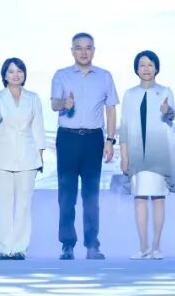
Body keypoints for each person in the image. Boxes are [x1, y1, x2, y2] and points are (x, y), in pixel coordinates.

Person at [50, 32, 119, 260]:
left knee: (91, 195)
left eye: (88, 47)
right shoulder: (61, 75)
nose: (83, 52)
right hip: (68, 138)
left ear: (94, 50)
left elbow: (111, 109)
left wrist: (110, 140)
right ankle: (67, 245)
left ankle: (92, 245)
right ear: (72, 51)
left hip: (93, 139)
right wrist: (65, 103)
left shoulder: (105, 76)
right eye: (78, 48)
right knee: (66, 194)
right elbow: (54, 104)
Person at [119, 50, 175, 260]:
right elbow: (124, 127)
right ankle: (143, 246)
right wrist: (124, 156)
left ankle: (156, 246)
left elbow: (172, 115)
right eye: (142, 65)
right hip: (136, 153)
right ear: (136, 69)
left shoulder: (165, 91)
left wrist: (167, 110)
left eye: (150, 64)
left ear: (156, 68)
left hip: (159, 152)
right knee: (140, 198)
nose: (146, 68)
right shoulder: (129, 94)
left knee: (159, 198)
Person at [0, 57, 46, 260]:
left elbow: (38, 128)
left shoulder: (33, 98)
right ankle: (3, 248)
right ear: (4, 75)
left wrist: (40, 157)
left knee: (24, 205)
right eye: (11, 71)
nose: (15, 74)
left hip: (28, 157)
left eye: (19, 71)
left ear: (24, 74)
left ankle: (20, 247)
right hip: (1, 157)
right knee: (4, 204)